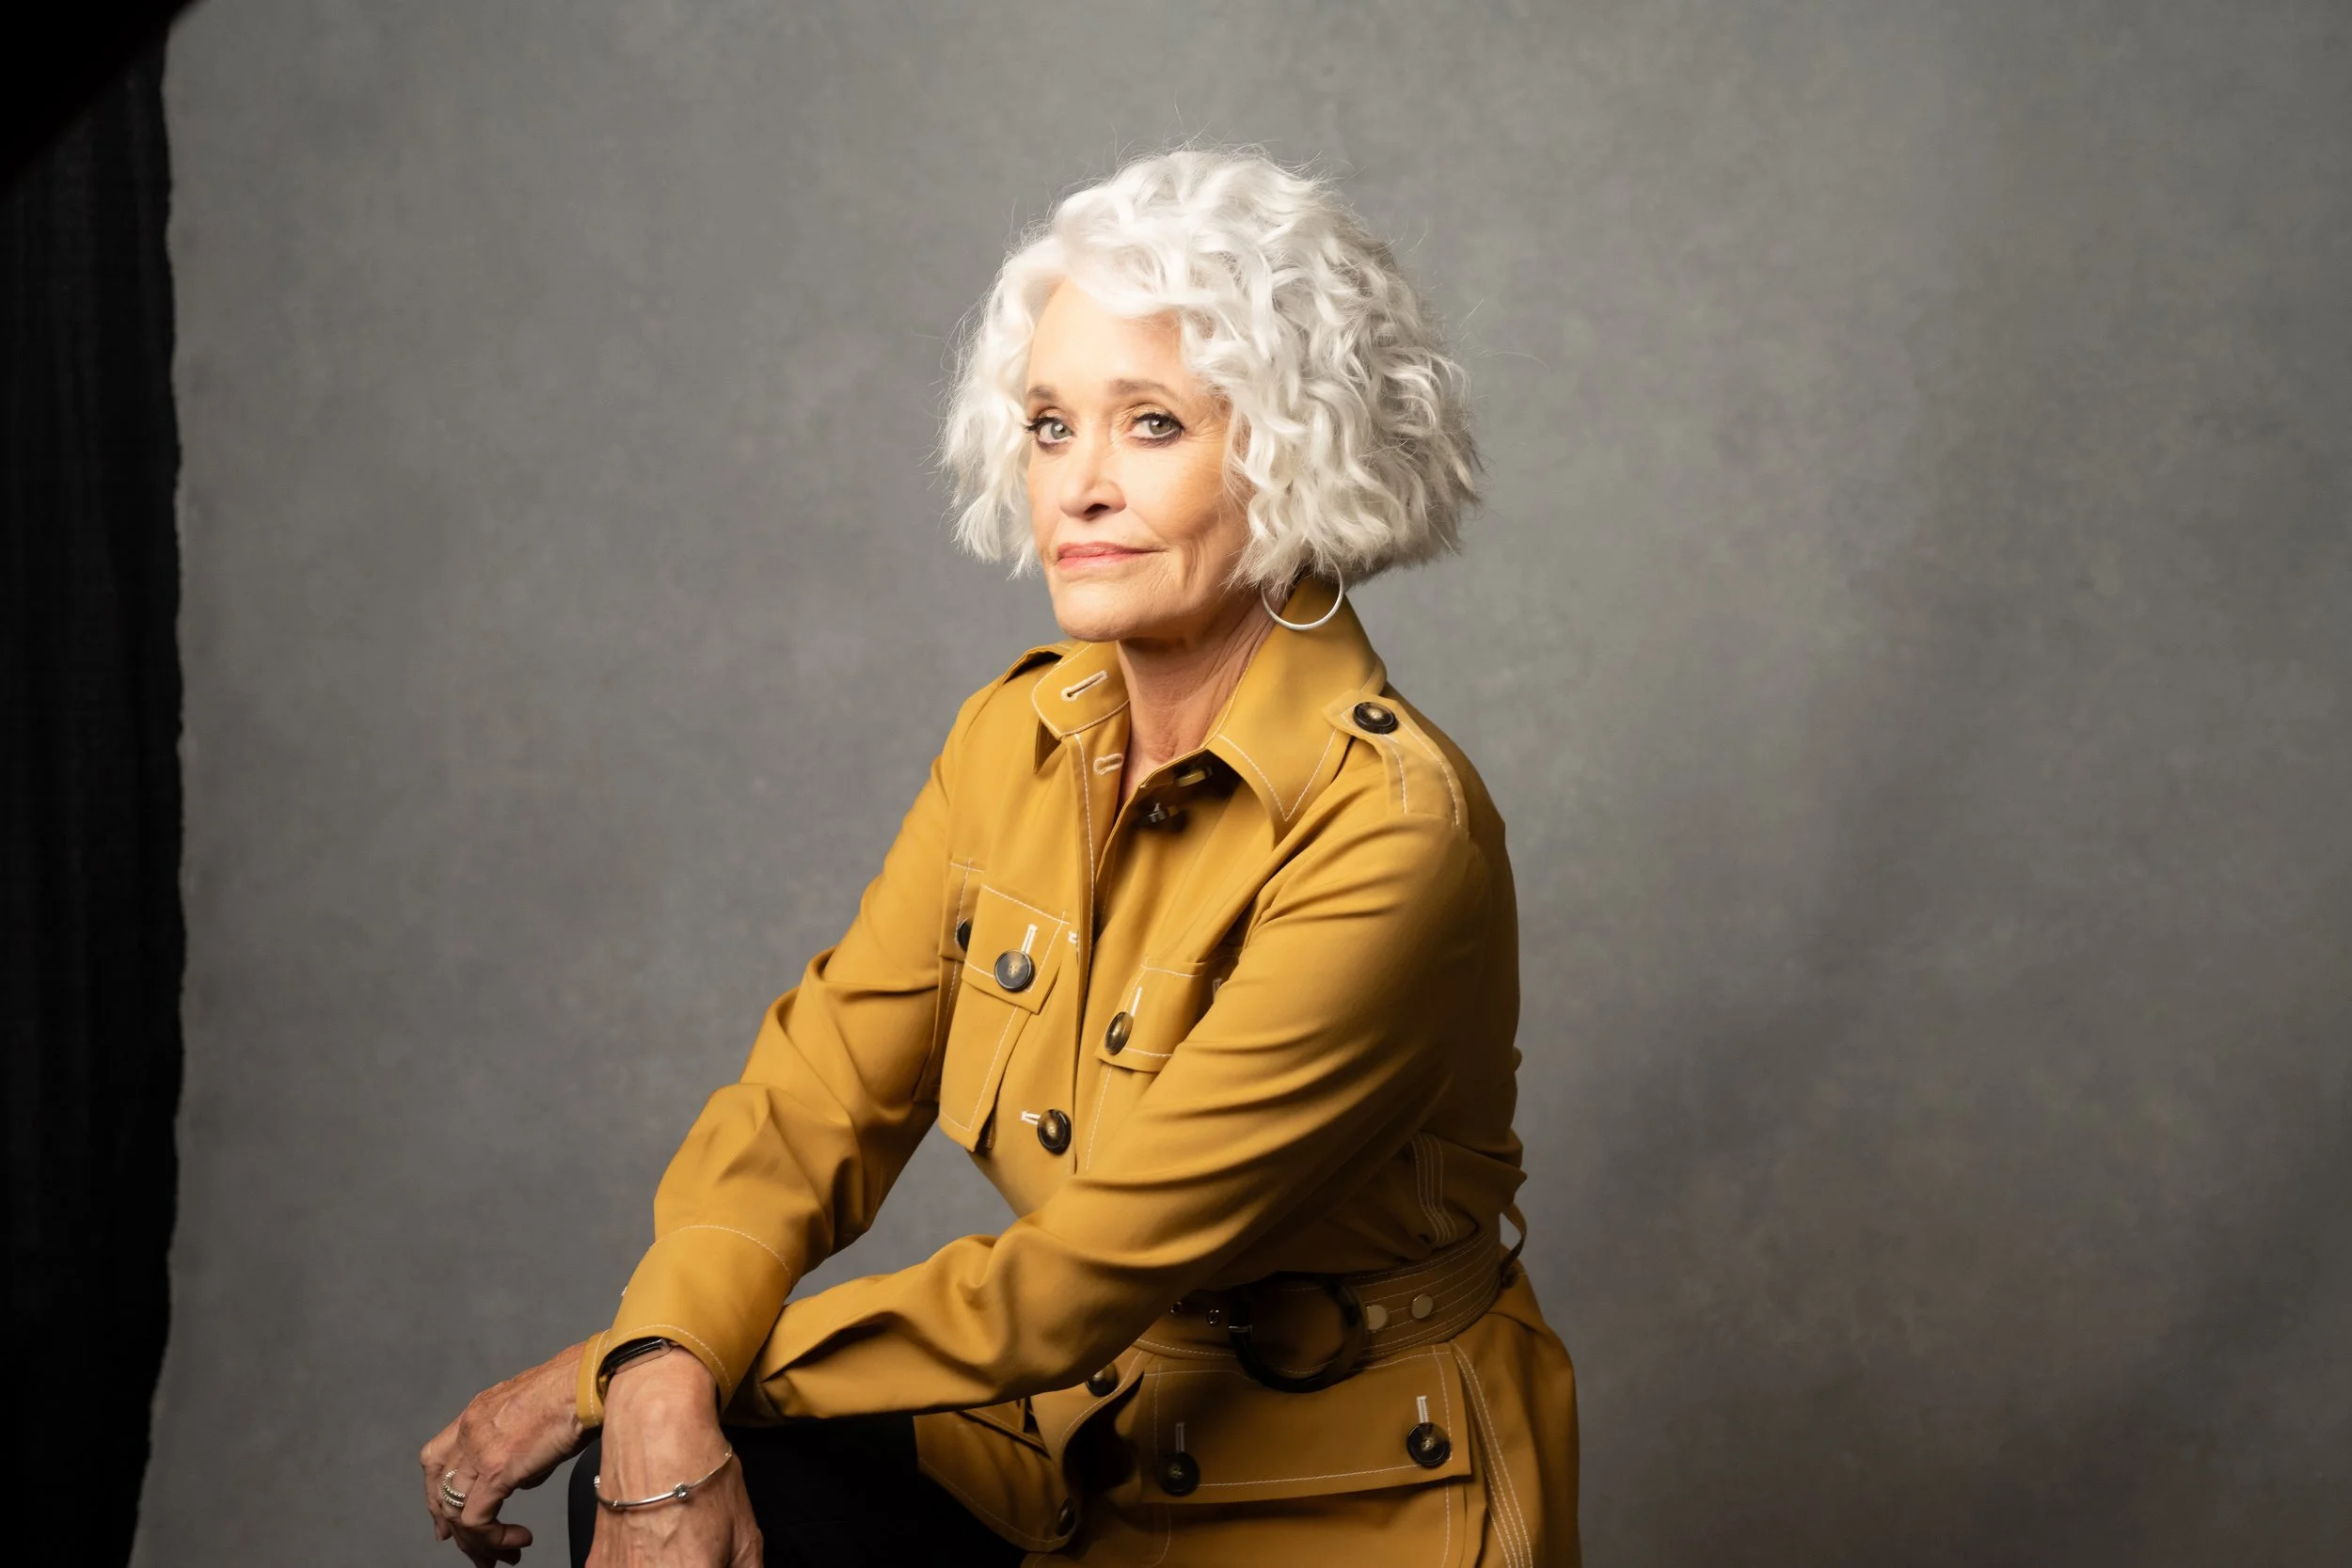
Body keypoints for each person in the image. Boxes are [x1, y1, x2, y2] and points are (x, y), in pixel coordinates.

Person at [419, 144, 1579, 1567]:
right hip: (1075, 1448)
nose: (1078, 486)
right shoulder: (1010, 740)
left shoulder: (1391, 829)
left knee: (663, 1419)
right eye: (1048, 425)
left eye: (1152, 424)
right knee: (677, 1458)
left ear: (1294, 452)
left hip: (1345, 1498)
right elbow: (815, 1101)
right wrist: (661, 1360)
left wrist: (611, 1371)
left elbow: (1076, 1278)